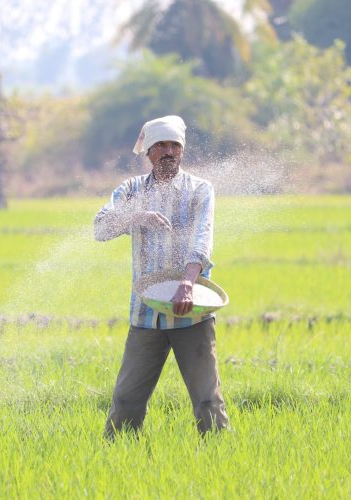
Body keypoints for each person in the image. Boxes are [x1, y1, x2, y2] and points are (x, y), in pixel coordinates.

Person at [94, 115, 229, 438]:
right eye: (161, 146)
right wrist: (137, 215)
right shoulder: (131, 190)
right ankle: (115, 460)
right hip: (145, 315)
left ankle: (221, 461)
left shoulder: (199, 189)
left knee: (207, 401)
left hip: (190, 313)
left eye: (174, 145)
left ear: (182, 150)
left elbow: (202, 237)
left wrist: (187, 283)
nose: (168, 151)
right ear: (149, 152)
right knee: (126, 401)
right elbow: (100, 228)